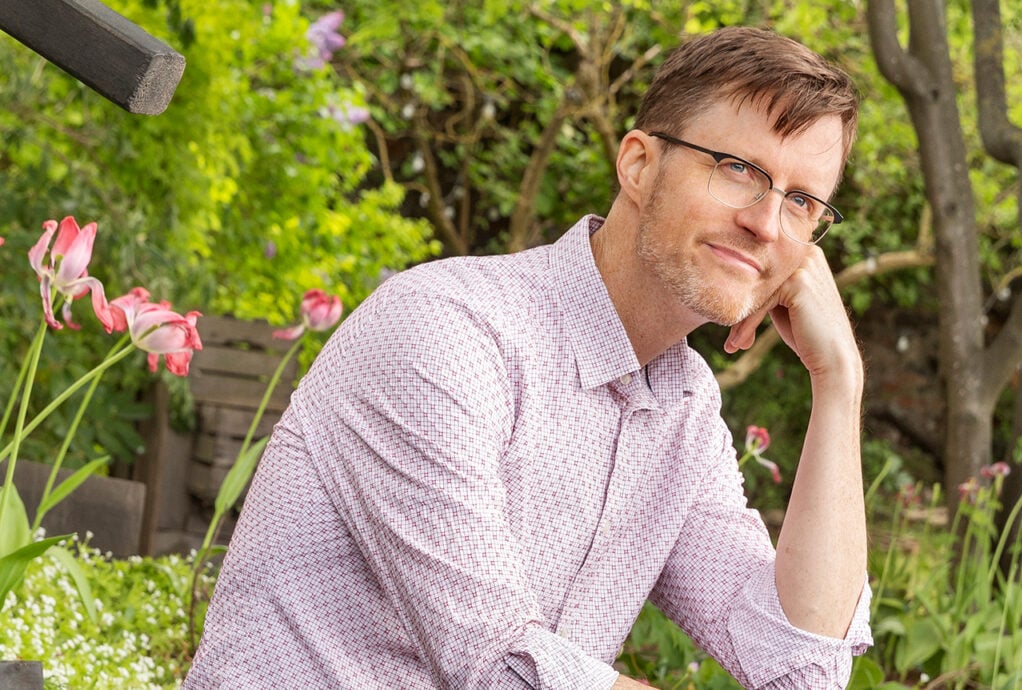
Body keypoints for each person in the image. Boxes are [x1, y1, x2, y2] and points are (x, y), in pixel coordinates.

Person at [186, 25, 872, 689]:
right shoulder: (447, 330)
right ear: (639, 164)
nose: (765, 223)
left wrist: (839, 380)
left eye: (801, 201)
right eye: (739, 170)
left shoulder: (683, 410)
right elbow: (498, 664)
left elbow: (802, 670)